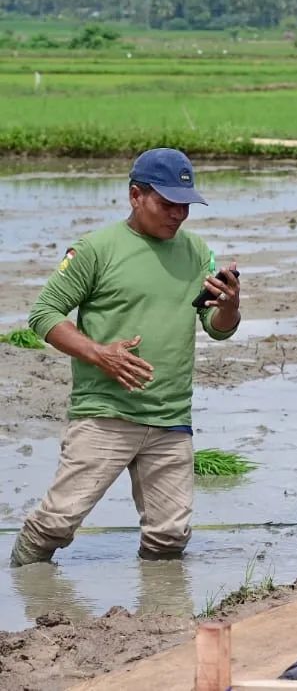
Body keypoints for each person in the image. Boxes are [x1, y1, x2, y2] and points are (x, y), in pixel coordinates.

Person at [10, 149, 241, 567]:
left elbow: (216, 327)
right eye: (167, 204)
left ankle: (158, 618)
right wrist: (99, 353)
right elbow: (43, 314)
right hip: (105, 413)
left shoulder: (196, 252)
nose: (177, 215)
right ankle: (24, 591)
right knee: (57, 523)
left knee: (169, 535)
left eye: (184, 206)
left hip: (171, 416)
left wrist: (229, 305)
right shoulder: (96, 249)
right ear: (136, 195)